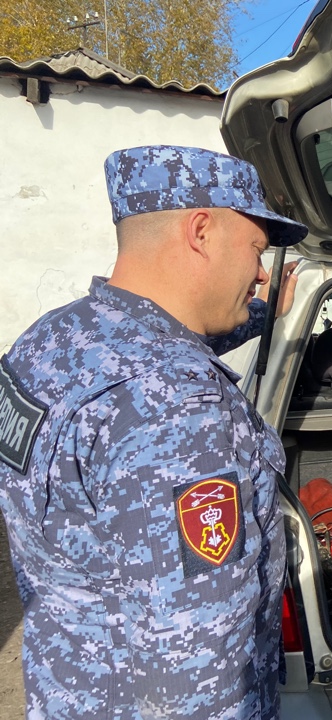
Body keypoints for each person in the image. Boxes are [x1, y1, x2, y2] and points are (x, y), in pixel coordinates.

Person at [0, 145, 308, 718]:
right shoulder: (180, 413)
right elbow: (198, 659)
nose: (261, 272)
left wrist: (259, 311)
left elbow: (163, 346)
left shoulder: (50, 344)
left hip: (73, 687)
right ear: (200, 231)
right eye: (256, 250)